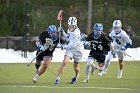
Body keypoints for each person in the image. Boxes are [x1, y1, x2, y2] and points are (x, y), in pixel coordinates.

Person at [54, 17, 84, 84]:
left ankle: (76, 76)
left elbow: (71, 46)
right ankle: (57, 78)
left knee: (75, 67)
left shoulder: (76, 33)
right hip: (70, 50)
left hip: (78, 50)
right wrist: (62, 32)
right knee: (64, 62)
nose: (71, 27)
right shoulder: (69, 29)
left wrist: (62, 46)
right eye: (70, 25)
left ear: (75, 25)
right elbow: (68, 38)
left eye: (72, 26)